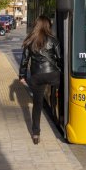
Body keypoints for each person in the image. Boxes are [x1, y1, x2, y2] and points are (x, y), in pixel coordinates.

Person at [19, 15, 61, 145]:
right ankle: (59, 116)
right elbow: (60, 58)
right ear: (48, 25)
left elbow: (24, 61)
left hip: (37, 76)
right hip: (52, 74)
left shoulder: (30, 40)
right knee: (61, 94)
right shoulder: (53, 40)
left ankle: (36, 133)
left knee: (37, 105)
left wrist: (22, 76)